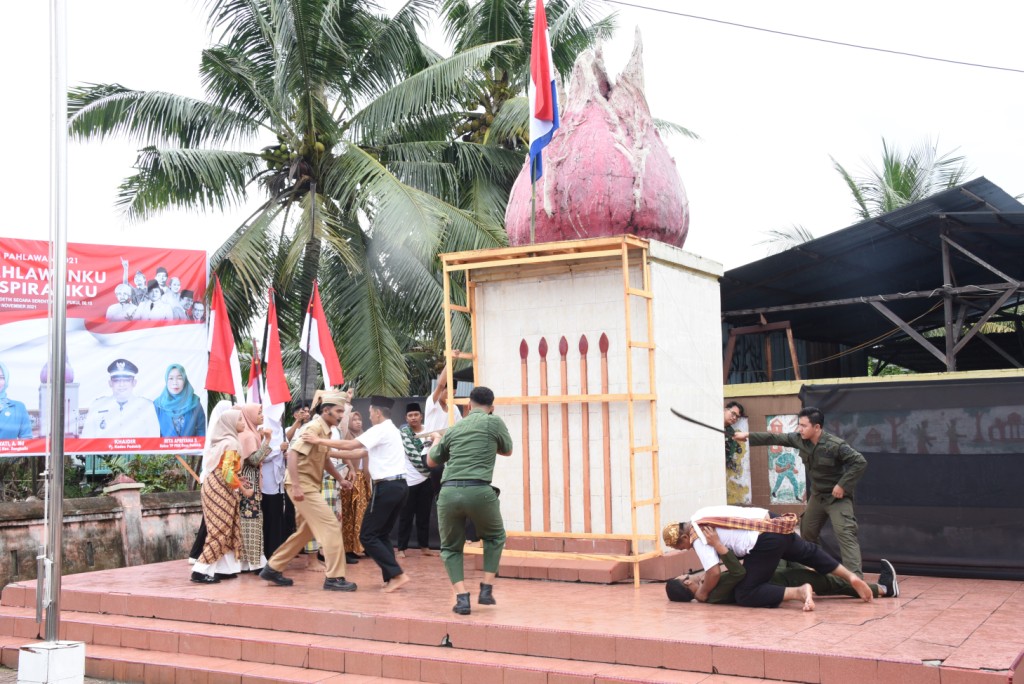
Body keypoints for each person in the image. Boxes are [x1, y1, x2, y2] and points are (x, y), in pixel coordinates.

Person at [733, 406, 868, 577]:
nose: (800, 429)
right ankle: (819, 571)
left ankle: (855, 579)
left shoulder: (835, 446)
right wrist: (747, 436)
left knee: (845, 532)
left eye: (804, 426)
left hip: (837, 498)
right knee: (807, 532)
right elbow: (775, 437)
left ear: (817, 427)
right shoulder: (799, 439)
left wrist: (842, 485)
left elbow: (860, 462)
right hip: (818, 496)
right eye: (799, 425)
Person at [662, 504, 872, 609]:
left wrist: (702, 594)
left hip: (764, 541)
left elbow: (714, 572)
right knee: (809, 553)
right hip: (772, 520)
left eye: (681, 546)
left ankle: (798, 592)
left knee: (745, 593)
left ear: (682, 536)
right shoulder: (701, 514)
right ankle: (850, 576)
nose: (685, 548)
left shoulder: (698, 536)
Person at [302, 396, 410, 593]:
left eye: (369, 413)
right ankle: (391, 577)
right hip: (399, 486)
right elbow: (359, 453)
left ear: (377, 413)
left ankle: (398, 574)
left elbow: (352, 446)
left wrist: (318, 440)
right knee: (381, 534)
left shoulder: (380, 429)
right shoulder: (391, 430)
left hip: (387, 487)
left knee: (367, 536)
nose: (368, 416)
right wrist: (327, 453)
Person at [427, 386, 513, 616]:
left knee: (450, 548)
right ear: (491, 408)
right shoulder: (493, 422)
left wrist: (436, 439)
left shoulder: (454, 429)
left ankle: (462, 597)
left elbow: (432, 462)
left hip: (448, 493)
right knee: (495, 537)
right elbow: (508, 450)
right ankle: (486, 588)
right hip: (479, 491)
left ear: (468, 406)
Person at [259, 390, 356, 592]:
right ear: (326, 411)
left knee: (306, 531)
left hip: (309, 484)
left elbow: (324, 457)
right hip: (302, 484)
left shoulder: (325, 429)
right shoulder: (313, 427)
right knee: (330, 524)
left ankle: (273, 567)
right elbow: (293, 453)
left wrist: (340, 479)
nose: (341, 415)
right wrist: (295, 485)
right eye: (339, 411)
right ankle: (335, 577)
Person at [191, 408, 253, 584]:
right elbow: (226, 472)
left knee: (226, 526)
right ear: (230, 424)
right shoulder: (231, 443)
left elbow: (224, 469)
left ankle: (223, 569)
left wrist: (237, 479)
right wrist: (243, 489)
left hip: (215, 485)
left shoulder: (223, 442)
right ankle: (200, 569)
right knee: (220, 528)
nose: (242, 423)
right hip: (219, 487)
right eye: (240, 420)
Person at [81, 359, 160, 438]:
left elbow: (154, 439)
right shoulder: (97, 406)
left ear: (134, 383)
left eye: (126, 380)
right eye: (117, 381)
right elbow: (86, 439)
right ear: (110, 383)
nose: (121, 384)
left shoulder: (146, 406)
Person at [397, 402, 435, 558]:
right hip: (409, 480)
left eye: (416, 415)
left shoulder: (430, 432)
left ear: (421, 416)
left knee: (424, 514)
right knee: (406, 516)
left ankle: (424, 546)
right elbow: (409, 456)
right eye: (410, 415)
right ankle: (401, 548)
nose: (413, 418)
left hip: (427, 478)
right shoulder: (403, 433)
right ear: (406, 418)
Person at [237, 404, 273, 572]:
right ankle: (255, 563)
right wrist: (267, 441)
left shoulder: (248, 434)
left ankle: (247, 562)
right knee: (252, 522)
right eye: (258, 413)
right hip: (249, 483)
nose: (262, 416)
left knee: (247, 522)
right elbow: (254, 460)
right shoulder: (249, 436)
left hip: (246, 483)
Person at [338, 410, 370, 563]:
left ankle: (361, 546)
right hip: (351, 478)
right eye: (354, 419)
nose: (358, 422)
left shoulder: (363, 436)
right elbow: (344, 454)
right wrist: (352, 469)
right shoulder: (347, 437)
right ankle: (348, 548)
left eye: (359, 419)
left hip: (363, 479)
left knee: (362, 514)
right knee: (351, 513)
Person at [153, 364, 205, 438]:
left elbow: (201, 430)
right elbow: (153, 433)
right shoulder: (158, 404)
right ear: (166, 380)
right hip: (165, 448)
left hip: (191, 449)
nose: (175, 383)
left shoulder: (194, 402)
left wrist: (197, 448)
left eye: (179, 378)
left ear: (185, 380)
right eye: (171, 378)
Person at [0, 362, 32, 439]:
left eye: (1, 377)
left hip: (10, 451)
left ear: (6, 381)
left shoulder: (18, 408)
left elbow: (26, 440)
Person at [724, 401, 744, 473]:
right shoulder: (712, 423)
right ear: (725, 410)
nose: (734, 417)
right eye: (733, 413)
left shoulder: (731, 432)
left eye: (737, 416)